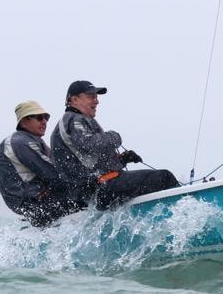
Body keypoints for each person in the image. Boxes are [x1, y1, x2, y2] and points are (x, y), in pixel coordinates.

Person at [51, 80, 179, 210]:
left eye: (96, 97)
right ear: (74, 99)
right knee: (163, 177)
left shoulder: (72, 121)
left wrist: (122, 159)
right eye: (91, 96)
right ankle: (184, 208)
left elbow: (89, 162)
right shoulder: (73, 119)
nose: (96, 101)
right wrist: (115, 137)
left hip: (95, 191)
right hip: (103, 187)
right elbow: (88, 143)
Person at [0, 101, 87, 227]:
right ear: (24, 121)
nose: (44, 121)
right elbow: (53, 173)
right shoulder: (20, 143)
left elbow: (60, 166)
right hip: (35, 204)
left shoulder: (33, 141)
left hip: (36, 203)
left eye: (46, 118)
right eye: (39, 118)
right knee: (91, 195)